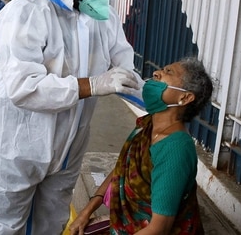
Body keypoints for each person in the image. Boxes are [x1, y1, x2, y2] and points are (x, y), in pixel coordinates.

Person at [0, 0, 144, 234]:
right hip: (20, 147)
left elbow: (123, 64)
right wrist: (93, 85)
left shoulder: (103, 19)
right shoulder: (26, 15)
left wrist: (149, 94)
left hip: (68, 149)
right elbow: (23, 87)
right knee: (5, 226)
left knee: (52, 223)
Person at [68, 57, 213, 235]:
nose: (156, 73)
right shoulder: (147, 125)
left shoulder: (175, 150)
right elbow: (122, 168)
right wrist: (87, 210)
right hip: (127, 225)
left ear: (185, 97)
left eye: (168, 72)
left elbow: (159, 228)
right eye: (162, 69)